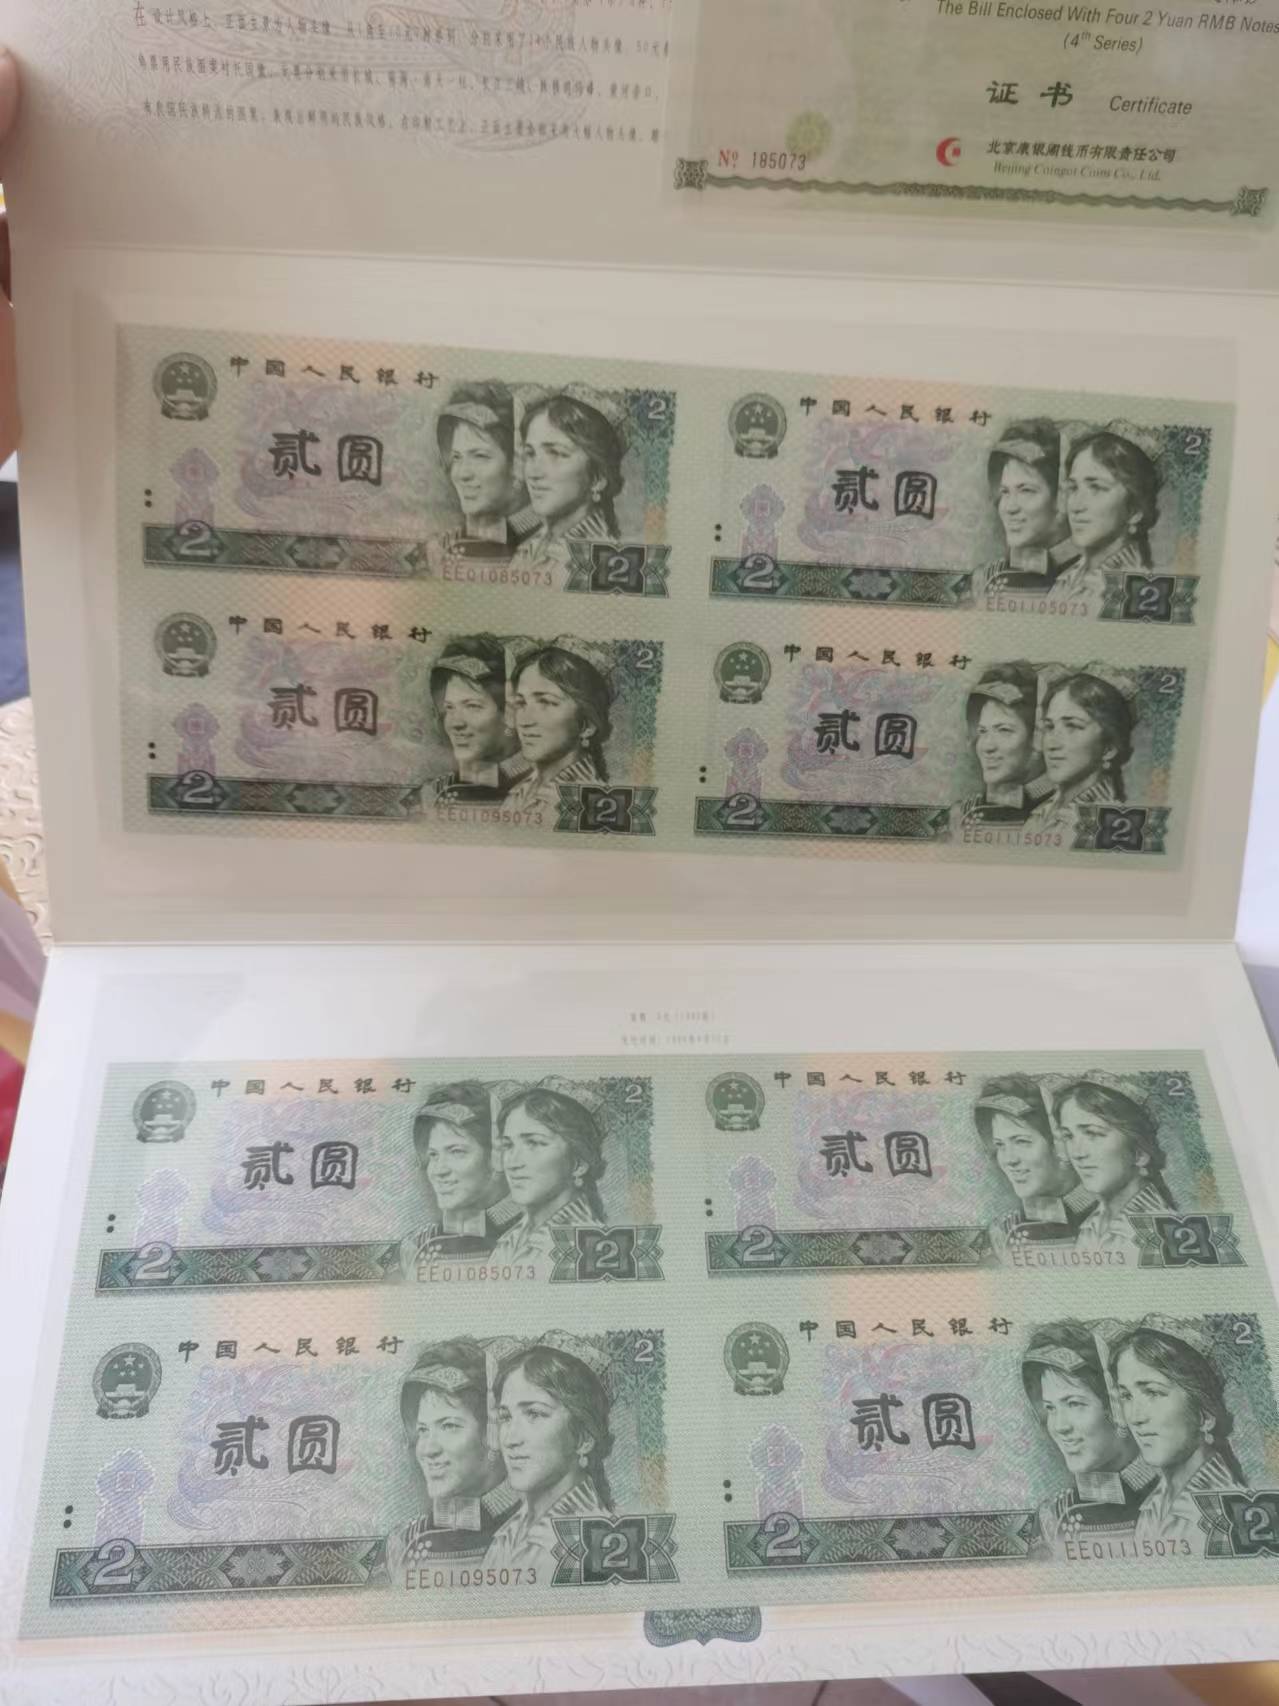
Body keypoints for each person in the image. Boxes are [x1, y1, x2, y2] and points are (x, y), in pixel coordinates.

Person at [1110, 1318, 1247, 1554]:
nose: (1134, 1417)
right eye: (1127, 1396)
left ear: (1205, 1415)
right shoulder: (1153, 1505)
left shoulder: (1228, 1513)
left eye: (1153, 1393)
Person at [385, 1338, 519, 1575]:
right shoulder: (404, 1542)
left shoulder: (540, 1530)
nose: (427, 1449)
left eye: (448, 1426)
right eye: (422, 1430)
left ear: (493, 1432)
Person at [1021, 1321, 1156, 1554]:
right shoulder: (1053, 1518)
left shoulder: (1180, 1496)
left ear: (1119, 1406)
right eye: (1050, 1408)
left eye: (1074, 1404)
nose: (1059, 1427)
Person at [483, 1338, 614, 1575]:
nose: (510, 1439)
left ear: (583, 1438)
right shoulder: (508, 1534)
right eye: (505, 1417)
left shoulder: (593, 1543)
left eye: (534, 1414)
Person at [398, 1082, 520, 1276]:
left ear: (497, 1156)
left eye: (456, 1152)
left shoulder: (538, 1237)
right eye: (433, 1155)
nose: (438, 1171)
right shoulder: (416, 1246)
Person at [1052, 1074, 1175, 1260]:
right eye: (1068, 1136)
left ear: (1140, 1153)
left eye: (1093, 1134)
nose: (1077, 1153)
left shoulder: (1162, 1231)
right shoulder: (1091, 1225)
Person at [488, 1082, 607, 1274]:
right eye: (508, 1145)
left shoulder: (588, 1245)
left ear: (578, 1164)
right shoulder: (510, 1239)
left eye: (534, 1143)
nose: (512, 1163)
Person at [510, 388, 626, 580]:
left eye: (556, 453)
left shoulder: (599, 564)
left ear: (597, 478)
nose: (533, 473)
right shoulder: (528, 548)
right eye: (530, 454)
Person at [973, 1076, 1092, 1259]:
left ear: (1061, 1144)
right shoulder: (1003, 1233)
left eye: (1021, 1141)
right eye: (1000, 1145)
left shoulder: (1114, 1214)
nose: (1009, 1160)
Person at [1054, 429, 1162, 613]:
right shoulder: (1067, 577)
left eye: (1096, 487)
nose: (1076, 506)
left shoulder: (1135, 592)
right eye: (1073, 488)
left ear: (1135, 510)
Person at [430, 382, 536, 561]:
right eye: (456, 457)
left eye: (479, 456)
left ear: (517, 464)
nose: (462, 474)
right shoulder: (445, 545)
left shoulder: (551, 542)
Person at [1023, 671, 1135, 839]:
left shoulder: (1111, 826)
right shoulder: (1041, 813)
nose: (1052, 744)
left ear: (1108, 748)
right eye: (1050, 727)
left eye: (1072, 726)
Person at [505, 643, 613, 812]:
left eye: (546, 702)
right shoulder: (520, 792)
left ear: (587, 725)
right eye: (521, 703)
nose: (524, 721)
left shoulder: (588, 804)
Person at [428, 635, 530, 804]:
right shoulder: (433, 794)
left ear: (510, 712)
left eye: (472, 706)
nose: (455, 723)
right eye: (449, 708)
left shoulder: (547, 787)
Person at [980, 419, 1077, 597]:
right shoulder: (985, 581)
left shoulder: (1098, 579)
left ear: (1062, 497)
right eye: (1005, 491)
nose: (1009, 508)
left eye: (1026, 490)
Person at [951, 663, 1053, 828]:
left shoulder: (1064, 811)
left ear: (1037, 738)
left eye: (1004, 730)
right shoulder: (964, 812)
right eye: (982, 731)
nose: (987, 747)